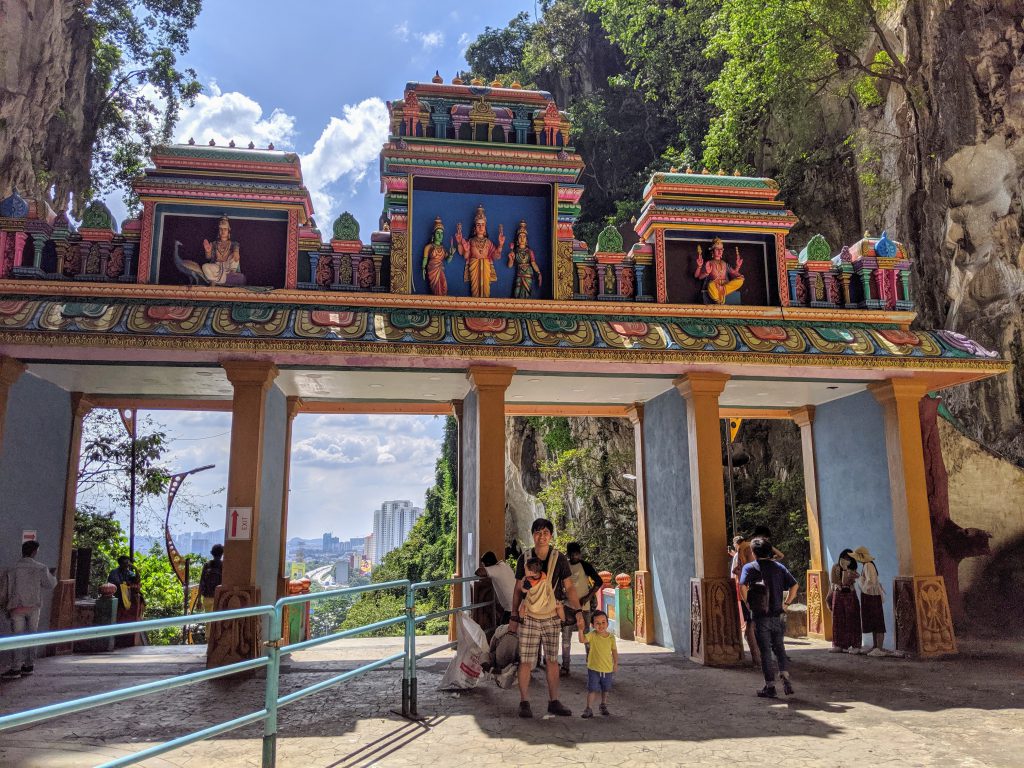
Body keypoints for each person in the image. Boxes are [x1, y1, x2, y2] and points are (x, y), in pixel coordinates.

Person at [510, 518, 586, 718]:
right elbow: (518, 589)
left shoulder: (559, 558)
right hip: (529, 616)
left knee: (552, 660)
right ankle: (524, 702)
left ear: (551, 536)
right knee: (526, 661)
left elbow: (569, 587)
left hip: (552, 616)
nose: (541, 536)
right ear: (532, 535)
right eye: (537, 532)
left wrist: (578, 612)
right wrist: (514, 615)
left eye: (545, 532)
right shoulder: (524, 558)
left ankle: (554, 701)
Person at [741, 537, 798, 698]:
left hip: (761, 616)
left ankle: (770, 686)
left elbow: (742, 587)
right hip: (778, 614)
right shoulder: (779, 567)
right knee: (779, 647)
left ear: (753, 552)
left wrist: (747, 603)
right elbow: (795, 585)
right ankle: (785, 675)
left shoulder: (750, 567)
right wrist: (786, 604)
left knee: (765, 651)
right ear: (770, 551)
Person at [2, 540, 58, 680]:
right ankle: (29, 666)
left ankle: (15, 669)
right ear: (34, 552)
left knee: (17, 638)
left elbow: (3, 591)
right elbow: (50, 584)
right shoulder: (41, 568)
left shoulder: (12, 568)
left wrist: (4, 606)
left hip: (16, 607)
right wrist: (52, 574)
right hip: (33, 607)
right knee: (32, 636)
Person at [561, 542, 601, 676]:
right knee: (566, 637)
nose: (575, 556)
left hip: (584, 608)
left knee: (586, 636)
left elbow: (599, 581)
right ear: (568, 554)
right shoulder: (564, 566)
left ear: (580, 554)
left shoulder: (585, 565)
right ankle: (565, 666)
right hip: (567, 607)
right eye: (572, 554)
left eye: (577, 553)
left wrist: (588, 597)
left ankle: (591, 664)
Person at [453, 205, 504, 298]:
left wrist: (500, 245)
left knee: (486, 290)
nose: (481, 227)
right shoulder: (471, 241)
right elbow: (463, 255)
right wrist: (460, 243)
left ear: (485, 228)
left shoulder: (488, 242)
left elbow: (496, 256)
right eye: (478, 225)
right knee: (475, 291)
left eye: (483, 225)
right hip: (474, 266)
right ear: (474, 228)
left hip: (486, 266)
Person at [850, 546, 890, 656]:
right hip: (870, 596)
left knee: (877, 622)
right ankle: (875, 646)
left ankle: (879, 648)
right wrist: (859, 578)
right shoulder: (866, 565)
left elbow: (871, 581)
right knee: (873, 622)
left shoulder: (868, 565)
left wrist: (862, 585)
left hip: (872, 596)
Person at [730, 535, 761, 668]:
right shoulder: (762, 567)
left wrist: (746, 601)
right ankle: (763, 658)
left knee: (750, 630)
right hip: (760, 598)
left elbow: (735, 573)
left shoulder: (746, 570)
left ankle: (757, 660)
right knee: (758, 627)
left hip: (748, 596)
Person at [580, 610, 618, 718]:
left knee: (606, 689)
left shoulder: (611, 637)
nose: (601, 625)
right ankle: (588, 709)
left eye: (603, 622)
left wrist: (615, 663)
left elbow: (614, 651)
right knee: (592, 689)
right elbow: (582, 640)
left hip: (607, 669)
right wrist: (580, 629)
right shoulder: (592, 635)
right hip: (593, 669)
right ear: (592, 625)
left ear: (607, 623)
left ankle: (603, 705)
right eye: (597, 623)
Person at [829, 548, 862, 654]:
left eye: (848, 559)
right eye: (844, 557)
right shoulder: (835, 567)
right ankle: (838, 644)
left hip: (850, 596)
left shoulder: (852, 570)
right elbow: (835, 581)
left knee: (852, 619)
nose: (845, 560)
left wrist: (846, 570)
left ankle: (855, 644)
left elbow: (848, 581)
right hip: (838, 595)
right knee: (838, 619)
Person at [694, 237, 744, 304]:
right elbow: (698, 276)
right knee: (710, 285)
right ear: (712, 251)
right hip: (715, 285)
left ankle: (722, 291)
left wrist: (738, 267)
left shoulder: (724, 263)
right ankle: (719, 299)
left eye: (721, 249)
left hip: (725, 285)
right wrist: (701, 268)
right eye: (717, 249)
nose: (720, 251)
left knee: (740, 281)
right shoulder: (709, 263)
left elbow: (734, 273)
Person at [519, 557, 567, 623]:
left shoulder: (529, 581)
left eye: (525, 569)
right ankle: (563, 620)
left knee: (523, 604)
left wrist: (522, 583)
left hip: (534, 606)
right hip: (546, 603)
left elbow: (524, 590)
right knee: (560, 606)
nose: (524, 570)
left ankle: (521, 619)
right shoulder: (544, 575)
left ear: (530, 573)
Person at [476, 551, 516, 624]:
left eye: (484, 565)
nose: (484, 567)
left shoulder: (496, 569)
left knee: (503, 631)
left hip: (510, 608)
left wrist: (486, 569)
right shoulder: (505, 566)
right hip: (516, 603)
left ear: (488, 564)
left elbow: (478, 572)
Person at [506, 219, 542, 299]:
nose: (522, 239)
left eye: (524, 237)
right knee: (517, 293)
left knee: (526, 294)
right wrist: (510, 258)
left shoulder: (529, 251)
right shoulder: (515, 251)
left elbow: (533, 263)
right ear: (517, 240)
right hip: (519, 274)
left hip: (528, 274)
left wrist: (539, 273)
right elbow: (510, 266)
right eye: (520, 237)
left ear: (526, 240)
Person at [421, 216, 452, 295]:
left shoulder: (443, 249)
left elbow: (448, 260)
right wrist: (423, 268)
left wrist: (451, 254)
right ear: (433, 235)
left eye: (441, 233)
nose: (440, 235)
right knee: (435, 288)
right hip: (432, 270)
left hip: (440, 270)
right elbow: (425, 259)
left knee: (444, 286)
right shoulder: (428, 247)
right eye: (437, 233)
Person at [107, 555, 142, 623]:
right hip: (117, 595)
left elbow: (137, 580)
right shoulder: (114, 572)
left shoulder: (129, 572)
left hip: (126, 596)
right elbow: (116, 584)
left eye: (127, 563)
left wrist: (135, 568)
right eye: (124, 563)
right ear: (120, 564)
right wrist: (125, 584)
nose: (126, 565)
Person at [198, 544, 224, 613]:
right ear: (222, 554)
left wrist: (199, 599)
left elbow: (201, 582)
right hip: (218, 597)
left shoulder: (207, 565)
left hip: (207, 596)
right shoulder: (223, 565)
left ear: (212, 553)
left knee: (208, 619)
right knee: (216, 620)